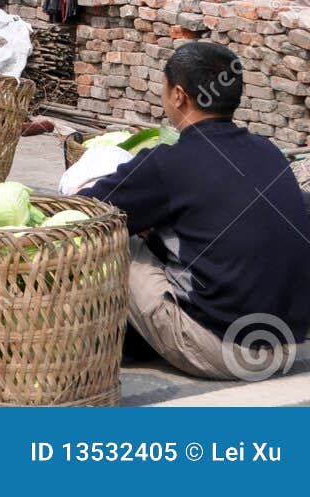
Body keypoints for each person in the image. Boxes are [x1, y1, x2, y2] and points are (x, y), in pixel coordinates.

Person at [80, 41, 310, 380]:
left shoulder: (168, 160)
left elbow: (90, 209)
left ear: (178, 95)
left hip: (223, 352)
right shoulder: (269, 151)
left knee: (112, 240)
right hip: (285, 347)